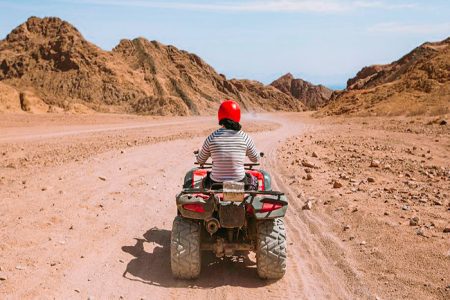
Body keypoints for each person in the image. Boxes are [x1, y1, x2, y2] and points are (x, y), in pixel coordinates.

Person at [197, 99, 259, 189]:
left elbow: (200, 160)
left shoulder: (211, 138)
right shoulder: (245, 137)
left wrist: (199, 154)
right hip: (240, 182)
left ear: (220, 116)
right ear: (238, 116)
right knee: (253, 180)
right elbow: (255, 159)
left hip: (216, 185)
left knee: (204, 182)